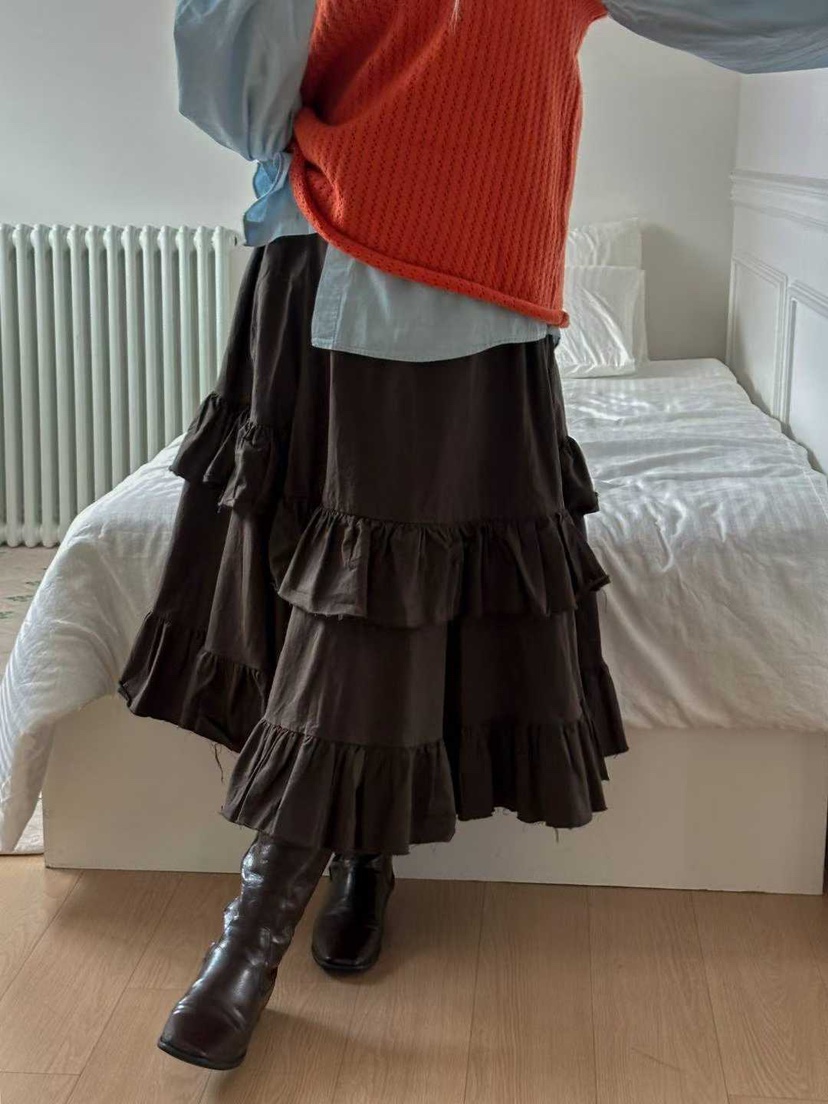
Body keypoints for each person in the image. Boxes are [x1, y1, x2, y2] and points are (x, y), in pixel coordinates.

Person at [117, 0, 828, 1071]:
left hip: (467, 300)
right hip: (310, 271)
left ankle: (254, 931)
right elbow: (240, 107)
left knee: (376, 595)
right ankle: (362, 850)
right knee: (314, 579)